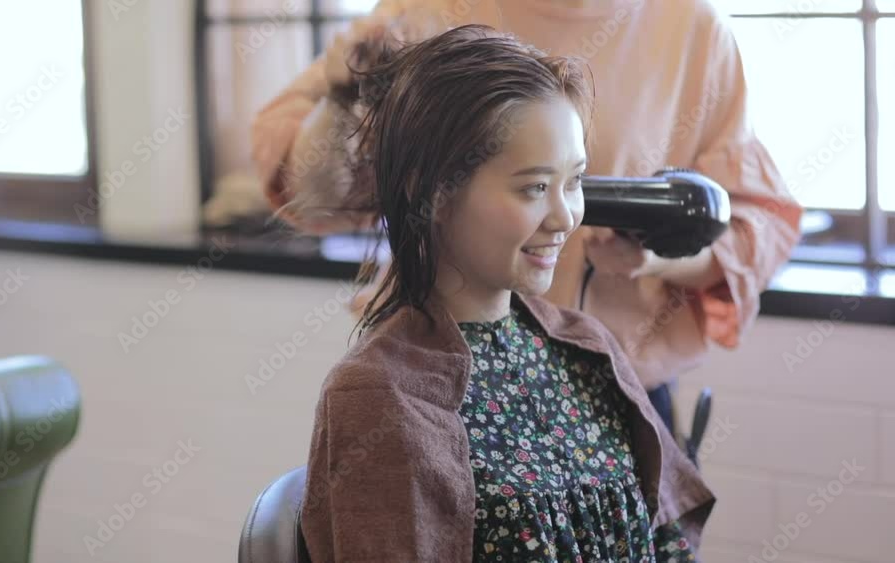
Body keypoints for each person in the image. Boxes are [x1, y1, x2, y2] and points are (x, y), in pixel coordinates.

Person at [248, 0, 803, 434]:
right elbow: (310, 190)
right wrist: (349, 100)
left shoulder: (691, 30)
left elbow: (759, 222)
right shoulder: (426, 14)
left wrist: (655, 260)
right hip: (443, 386)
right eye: (534, 187)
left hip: (615, 392)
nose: (562, 217)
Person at [297, 26, 714, 561]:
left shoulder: (586, 349)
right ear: (429, 187)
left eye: (574, 181)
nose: (566, 217)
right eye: (535, 187)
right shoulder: (378, 397)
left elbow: (667, 540)